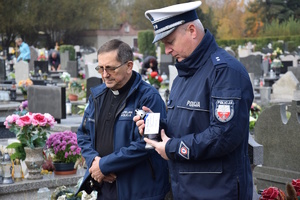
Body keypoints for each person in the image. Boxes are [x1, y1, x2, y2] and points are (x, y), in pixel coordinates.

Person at [134, 1, 254, 199]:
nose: (167, 51)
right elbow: (188, 126)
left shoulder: (225, 72)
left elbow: (224, 135)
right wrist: (156, 126)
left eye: (170, 41)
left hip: (217, 191)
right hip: (186, 189)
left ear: (191, 30)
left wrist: (171, 148)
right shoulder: (184, 73)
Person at [76, 39, 170, 200]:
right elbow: (84, 135)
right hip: (105, 187)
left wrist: (104, 165)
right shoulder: (97, 96)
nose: (105, 75)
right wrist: (94, 162)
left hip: (139, 190)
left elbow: (147, 143)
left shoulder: (148, 98)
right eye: (101, 68)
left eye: (111, 68)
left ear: (129, 66)